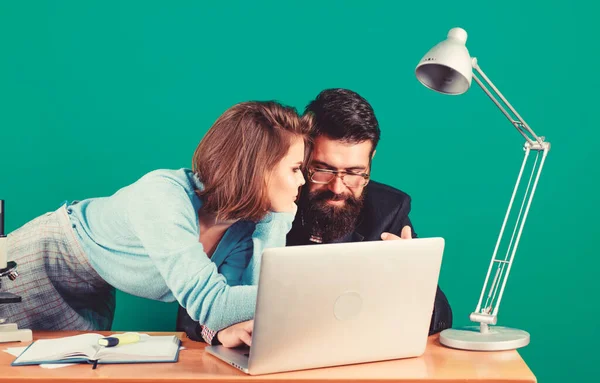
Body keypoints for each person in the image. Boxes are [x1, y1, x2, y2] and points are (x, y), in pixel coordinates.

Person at [1, 101, 312, 332]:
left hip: (95, 286)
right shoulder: (164, 196)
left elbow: (238, 310)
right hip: (39, 264)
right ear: (257, 168)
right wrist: (309, 294)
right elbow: (217, 307)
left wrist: (274, 223)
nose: (303, 181)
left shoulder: (241, 231)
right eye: (295, 169)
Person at [177, 89, 453, 348]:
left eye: (356, 172)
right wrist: (219, 331)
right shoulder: (262, 198)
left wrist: (416, 282)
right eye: (322, 170)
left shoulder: (389, 209)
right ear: (303, 154)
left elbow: (441, 316)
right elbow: (192, 307)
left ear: (372, 159)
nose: (338, 187)